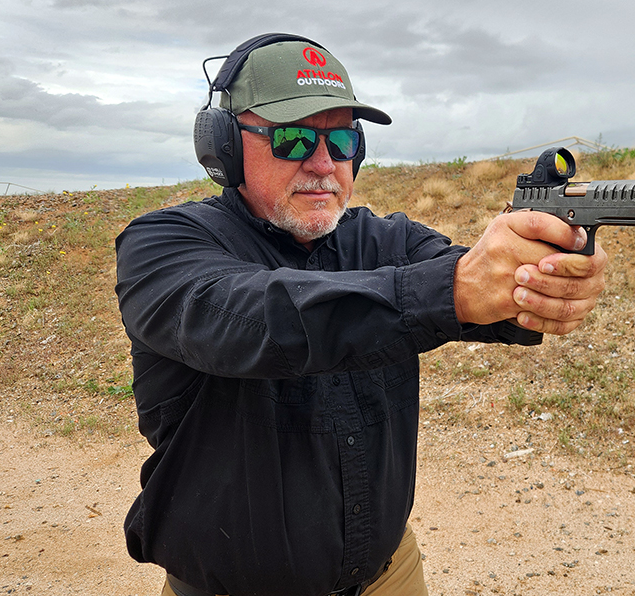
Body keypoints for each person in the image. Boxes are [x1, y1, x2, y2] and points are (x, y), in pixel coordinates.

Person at [114, 34, 608, 596]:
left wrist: (540, 271)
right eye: (293, 139)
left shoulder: (385, 239)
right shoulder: (162, 245)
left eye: (343, 138)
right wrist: (453, 288)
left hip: (388, 574)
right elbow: (259, 319)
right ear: (223, 147)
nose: (323, 163)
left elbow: (481, 290)